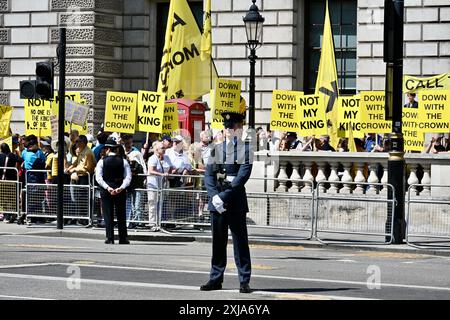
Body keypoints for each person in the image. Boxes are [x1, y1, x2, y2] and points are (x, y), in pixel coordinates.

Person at [201, 111, 253, 294]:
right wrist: (214, 196)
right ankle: (215, 278)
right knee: (218, 242)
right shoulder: (216, 149)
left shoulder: (246, 149)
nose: (229, 130)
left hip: (234, 200)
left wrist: (222, 198)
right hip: (217, 201)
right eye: (227, 127)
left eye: (233, 126)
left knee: (240, 242)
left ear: (240, 128)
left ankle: (244, 280)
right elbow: (208, 175)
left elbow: (241, 177)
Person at [95, 138, 132, 244]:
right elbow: (128, 177)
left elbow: (99, 178)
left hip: (107, 191)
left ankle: (110, 238)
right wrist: (121, 188)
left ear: (106, 149)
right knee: (121, 214)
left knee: (108, 214)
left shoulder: (102, 161)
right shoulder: (123, 161)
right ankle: (123, 238)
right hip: (120, 189)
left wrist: (108, 187)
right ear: (115, 149)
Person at [147, 141, 176, 231]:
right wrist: (162, 174)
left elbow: (172, 167)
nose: (164, 150)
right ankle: (152, 224)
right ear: (156, 150)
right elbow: (151, 170)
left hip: (163, 185)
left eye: (164, 148)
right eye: (162, 148)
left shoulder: (166, 157)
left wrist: (171, 172)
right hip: (153, 184)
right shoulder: (152, 158)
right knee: (152, 204)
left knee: (161, 204)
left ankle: (159, 222)